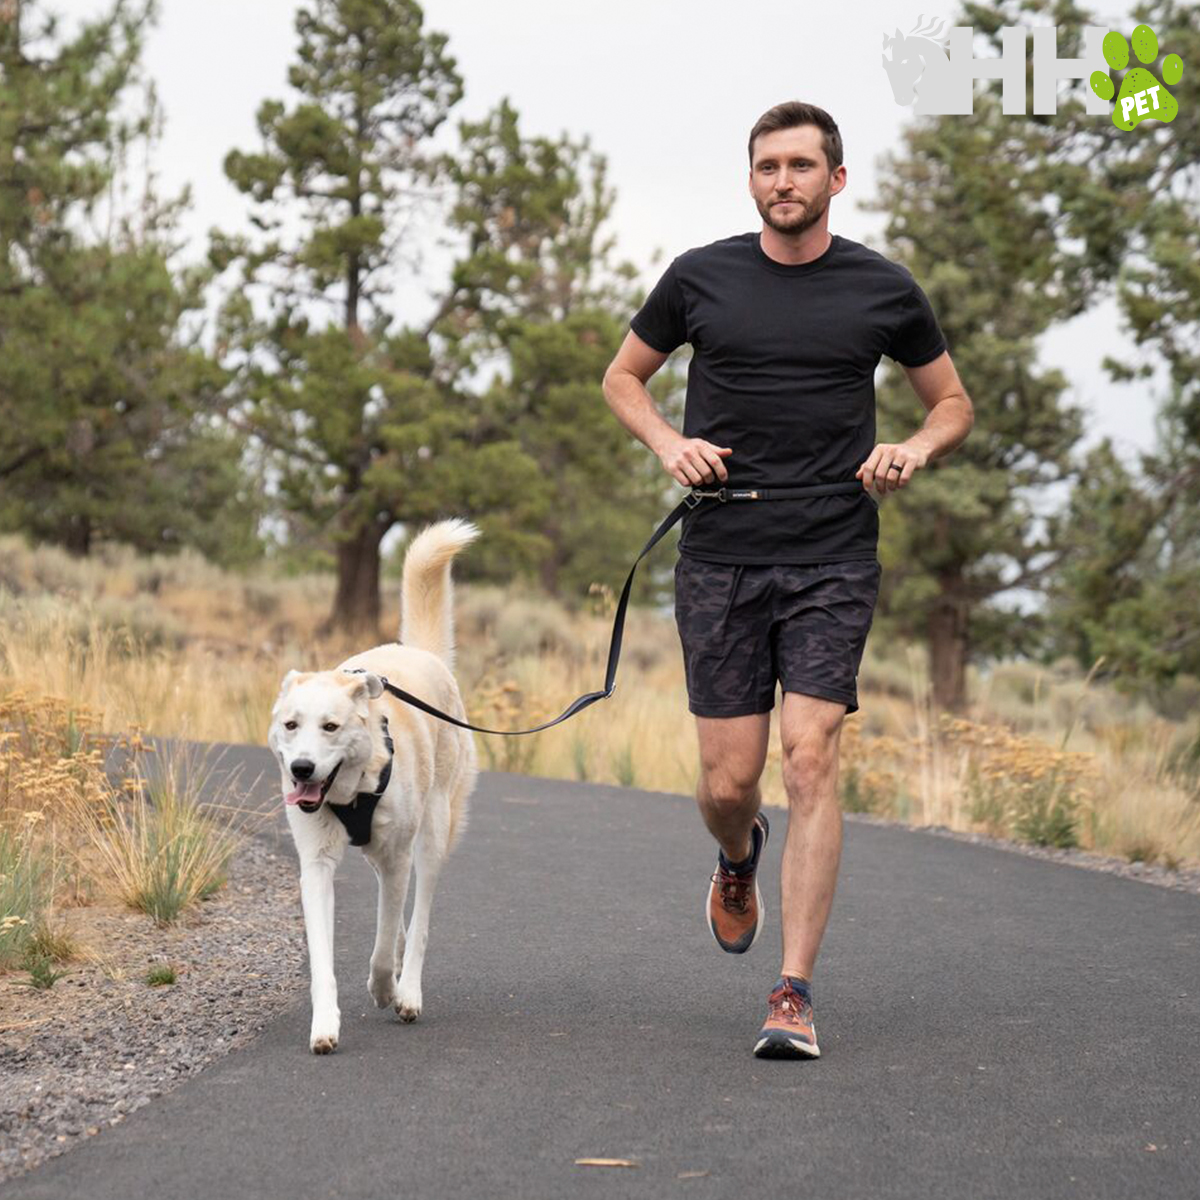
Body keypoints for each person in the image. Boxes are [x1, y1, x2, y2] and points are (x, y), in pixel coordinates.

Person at [601, 101, 973, 1059]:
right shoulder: (700, 277)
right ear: (752, 179)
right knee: (730, 783)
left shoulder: (883, 290)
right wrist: (670, 443)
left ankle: (793, 992)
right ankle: (737, 856)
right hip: (721, 553)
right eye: (767, 166)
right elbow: (622, 380)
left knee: (810, 757)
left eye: (801, 165)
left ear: (835, 180)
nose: (783, 181)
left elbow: (953, 403)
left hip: (833, 553)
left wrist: (914, 449)